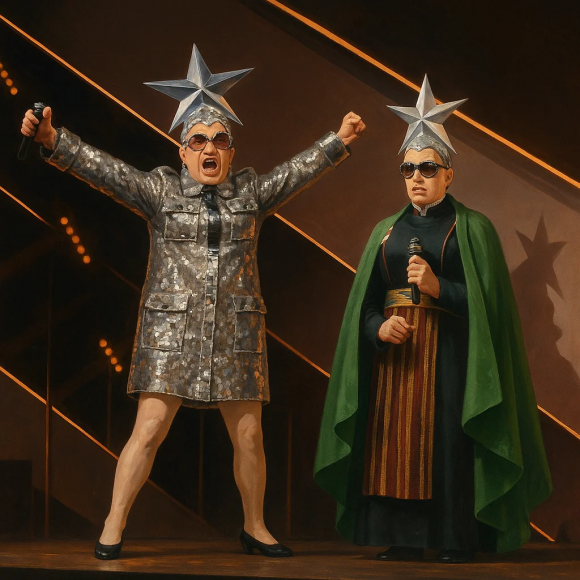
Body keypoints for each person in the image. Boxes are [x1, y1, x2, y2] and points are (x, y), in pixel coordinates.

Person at [21, 45, 366, 560]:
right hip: (171, 333)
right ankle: (113, 523)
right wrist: (53, 140)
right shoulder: (160, 192)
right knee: (149, 430)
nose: (209, 148)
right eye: (198, 140)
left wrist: (337, 142)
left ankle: (255, 526)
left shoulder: (250, 194)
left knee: (249, 436)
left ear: (231, 152)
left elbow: (294, 172)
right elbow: (107, 171)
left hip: (236, 333)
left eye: (219, 140)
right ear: (182, 151)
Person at [314, 76, 551, 563]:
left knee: (445, 445)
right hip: (395, 365)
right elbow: (366, 307)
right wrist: (379, 328)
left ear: (449, 175)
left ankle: (454, 537)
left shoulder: (473, 228)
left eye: (428, 167)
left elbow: (489, 311)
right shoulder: (385, 232)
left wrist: (440, 289)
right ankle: (401, 537)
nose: (417, 177)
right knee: (393, 447)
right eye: (408, 168)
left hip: (452, 362)